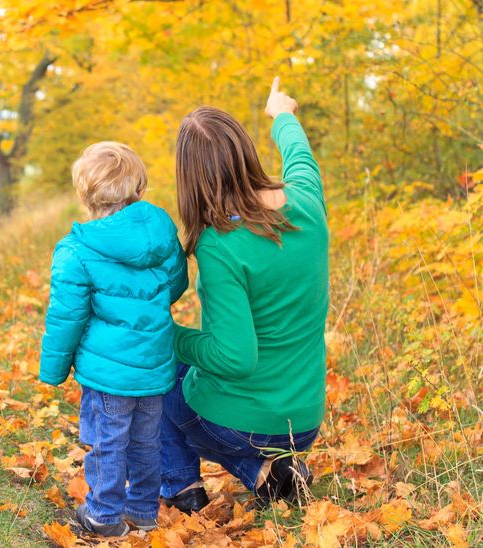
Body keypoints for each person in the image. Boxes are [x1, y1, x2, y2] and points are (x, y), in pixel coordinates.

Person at [160, 77, 328, 513]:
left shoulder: (220, 243)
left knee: (158, 367)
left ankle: (183, 492)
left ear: (190, 177)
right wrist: (282, 112)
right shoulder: (306, 199)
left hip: (247, 425)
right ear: (244, 149)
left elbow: (236, 358)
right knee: (187, 360)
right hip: (304, 420)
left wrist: (166, 335)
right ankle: (267, 474)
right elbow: (299, 156)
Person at [39, 142, 188, 536]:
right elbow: (176, 284)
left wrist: (53, 369)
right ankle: (142, 511)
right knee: (145, 441)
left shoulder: (77, 249)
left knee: (107, 440)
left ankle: (103, 515)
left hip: (107, 372)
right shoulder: (161, 228)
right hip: (154, 364)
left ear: (86, 194)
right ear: (137, 187)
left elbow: (66, 317)